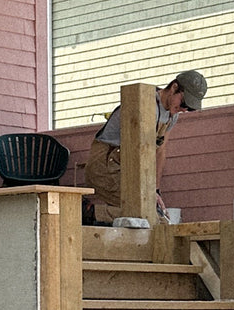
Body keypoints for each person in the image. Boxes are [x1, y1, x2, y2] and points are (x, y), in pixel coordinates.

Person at [82, 69, 206, 225]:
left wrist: (155, 189)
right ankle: (88, 212)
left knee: (155, 216)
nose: (184, 109)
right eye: (184, 103)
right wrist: (147, 191)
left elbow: (160, 151)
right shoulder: (145, 104)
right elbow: (136, 151)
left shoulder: (171, 116)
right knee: (145, 211)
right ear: (174, 88)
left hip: (127, 168)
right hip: (105, 165)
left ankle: (93, 213)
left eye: (190, 108)